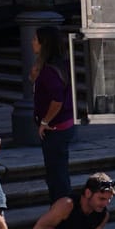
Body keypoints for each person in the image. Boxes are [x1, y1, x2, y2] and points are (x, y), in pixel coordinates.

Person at [31, 25, 77, 203]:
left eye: (35, 39)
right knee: (57, 173)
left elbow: (57, 101)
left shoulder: (50, 71)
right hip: (63, 125)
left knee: (57, 176)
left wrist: (44, 122)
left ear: (44, 44)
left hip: (55, 129)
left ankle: (62, 212)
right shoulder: (59, 65)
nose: (32, 42)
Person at [32, 172, 115, 229]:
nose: (106, 203)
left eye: (109, 199)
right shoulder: (67, 205)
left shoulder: (103, 215)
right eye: (102, 199)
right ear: (88, 193)